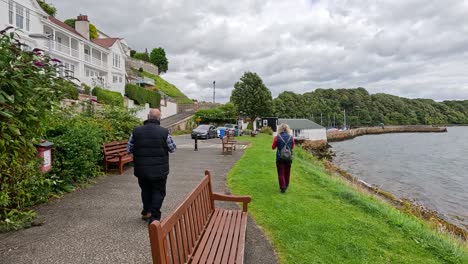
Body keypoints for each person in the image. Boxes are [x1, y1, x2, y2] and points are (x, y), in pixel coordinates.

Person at [127, 109, 176, 224]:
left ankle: (147, 211)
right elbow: (172, 148)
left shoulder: (136, 131)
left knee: (145, 190)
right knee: (158, 192)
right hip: (159, 170)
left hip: (142, 169)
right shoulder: (164, 132)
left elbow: (129, 149)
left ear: (148, 116)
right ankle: (154, 218)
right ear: (159, 118)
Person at [272, 123, 295, 193]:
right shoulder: (291, 137)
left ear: (280, 129)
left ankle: (283, 187)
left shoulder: (277, 137)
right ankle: (286, 185)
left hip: (280, 157)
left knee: (281, 173)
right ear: (287, 129)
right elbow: (292, 147)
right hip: (288, 157)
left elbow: (273, 147)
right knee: (287, 172)